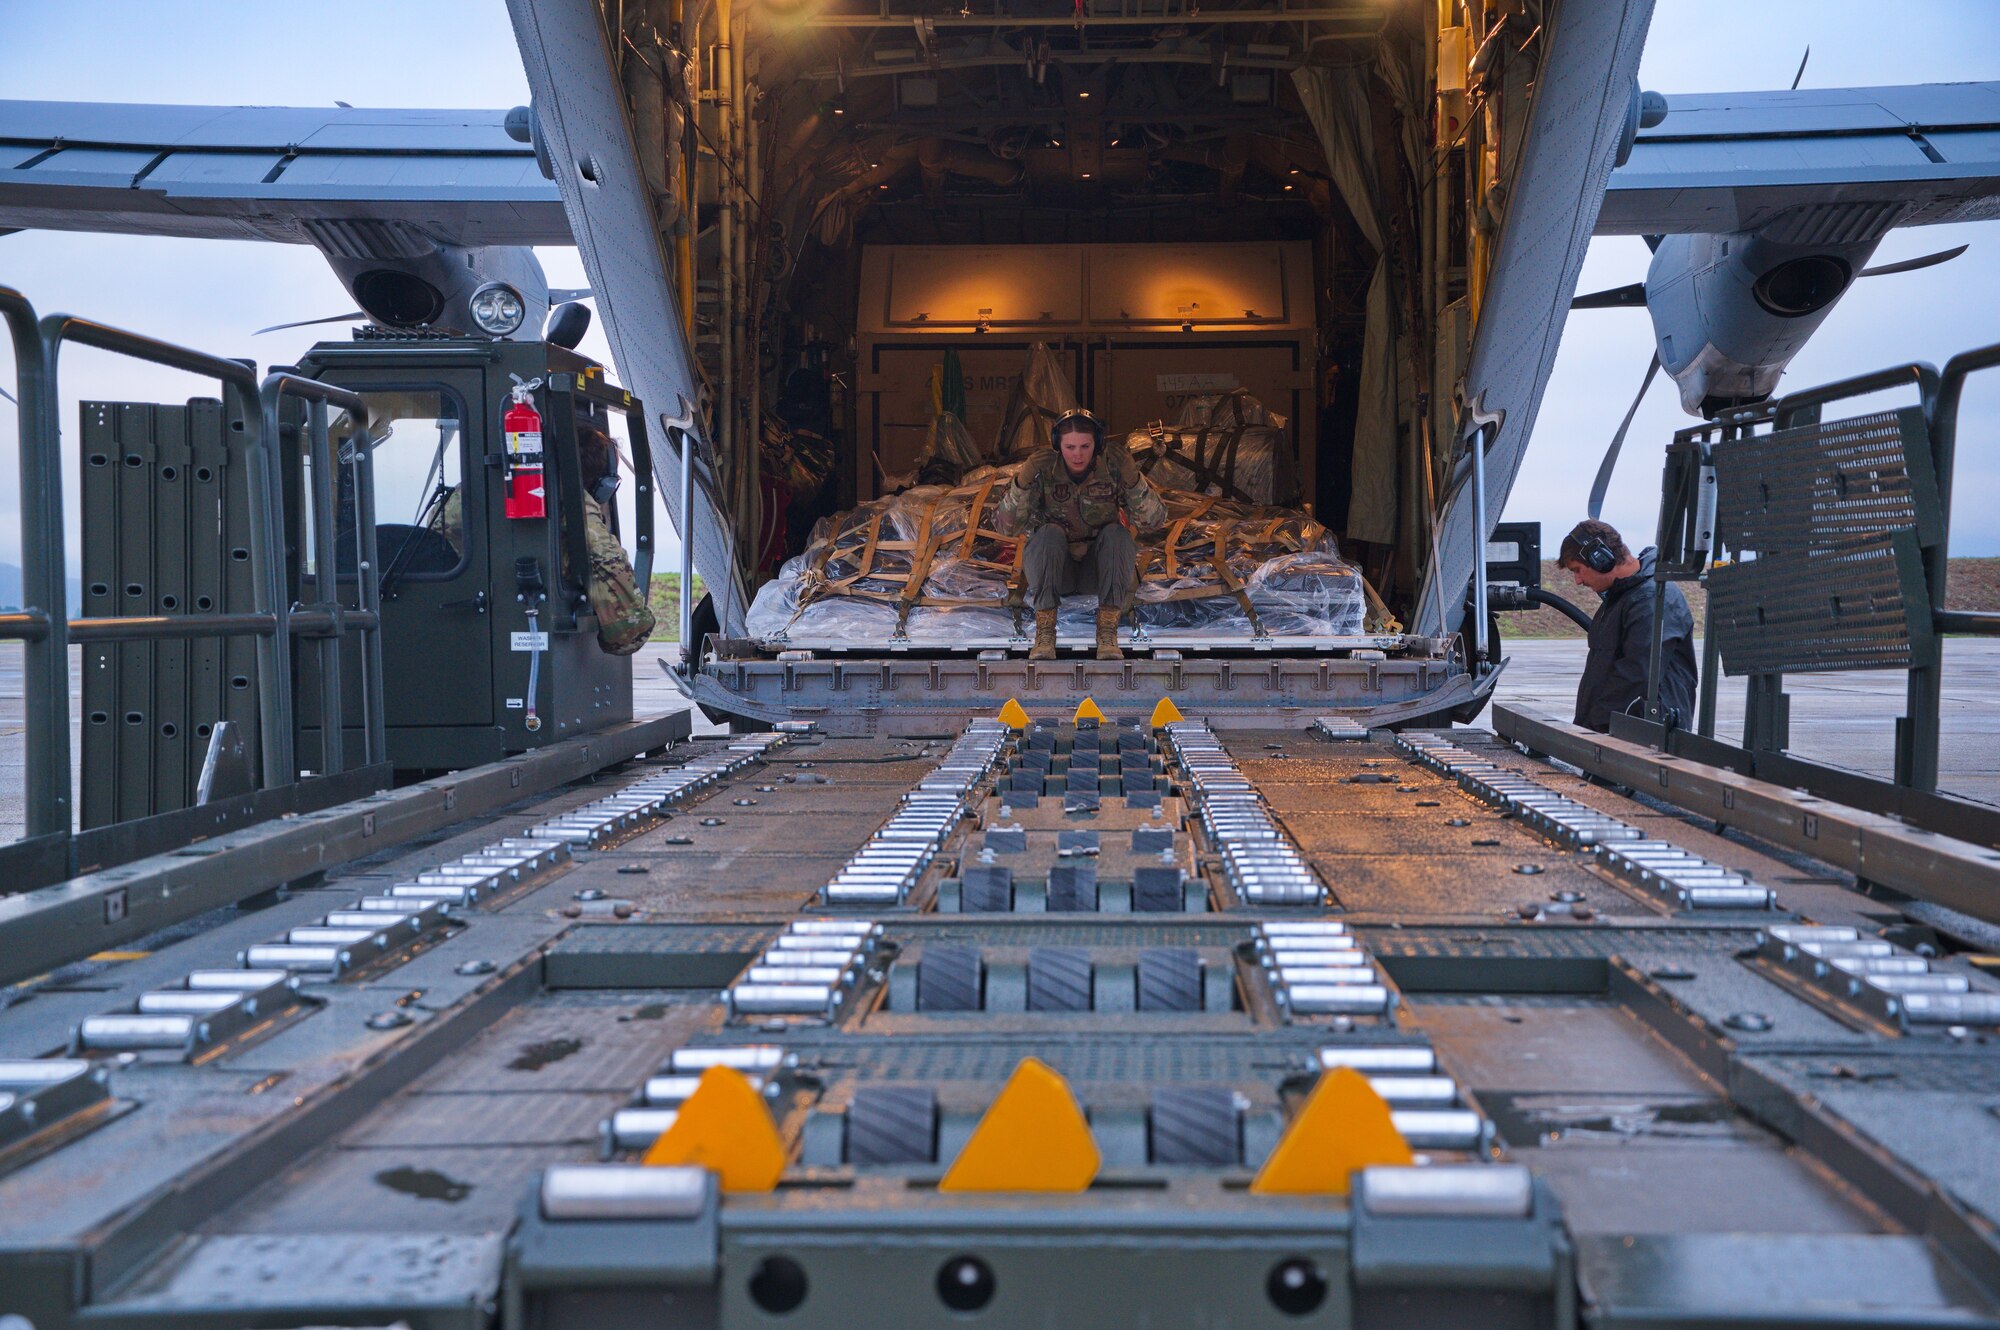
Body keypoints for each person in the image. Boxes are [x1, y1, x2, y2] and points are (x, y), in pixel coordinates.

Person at [432, 425, 655, 656]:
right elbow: (609, 563)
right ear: (601, 481)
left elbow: (438, 531)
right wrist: (631, 630)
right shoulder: (570, 498)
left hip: (455, 607)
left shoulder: (480, 486)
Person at [993, 408, 1169, 661]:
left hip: (1097, 572)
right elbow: (1006, 528)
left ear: (1096, 445)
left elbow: (1153, 522)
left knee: (1117, 535)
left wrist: (1132, 479)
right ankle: (1045, 635)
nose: (1077, 454)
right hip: (1055, 571)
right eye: (1070, 447)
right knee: (1048, 534)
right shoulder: (1044, 472)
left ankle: (1107, 633)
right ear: (1058, 445)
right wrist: (1023, 480)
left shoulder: (1112, 470)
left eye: (1085, 446)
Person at [1557, 518, 1697, 732]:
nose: (1577, 580)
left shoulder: (1652, 599)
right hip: (1617, 730)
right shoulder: (1623, 598)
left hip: (1645, 736)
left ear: (1600, 559)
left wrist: (1593, 728)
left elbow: (1635, 676)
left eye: (1577, 569)